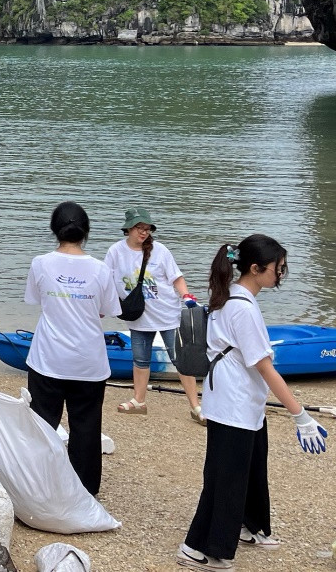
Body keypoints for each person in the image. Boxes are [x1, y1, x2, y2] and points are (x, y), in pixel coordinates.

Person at [177, 235, 327, 570]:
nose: (281, 273)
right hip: (233, 404)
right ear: (256, 268)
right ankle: (200, 548)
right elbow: (264, 365)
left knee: (252, 467)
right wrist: (299, 414)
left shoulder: (233, 296)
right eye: (278, 268)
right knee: (224, 477)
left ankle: (251, 525)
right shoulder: (240, 307)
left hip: (243, 402)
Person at [23, 201, 120, 497]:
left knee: (41, 426)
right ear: (85, 232)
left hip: (48, 359)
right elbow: (107, 309)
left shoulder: (40, 263)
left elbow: (37, 299)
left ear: (54, 230)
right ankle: (84, 495)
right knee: (86, 429)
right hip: (88, 362)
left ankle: (36, 488)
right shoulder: (100, 269)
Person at [104, 206, 203, 422]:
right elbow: (106, 282)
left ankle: (196, 407)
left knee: (181, 360)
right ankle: (139, 401)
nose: (143, 232)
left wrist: (186, 296)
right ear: (128, 229)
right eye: (139, 228)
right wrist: (102, 307)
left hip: (168, 314)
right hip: (138, 316)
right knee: (140, 359)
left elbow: (176, 277)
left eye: (147, 229)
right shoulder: (115, 252)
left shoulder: (160, 251)